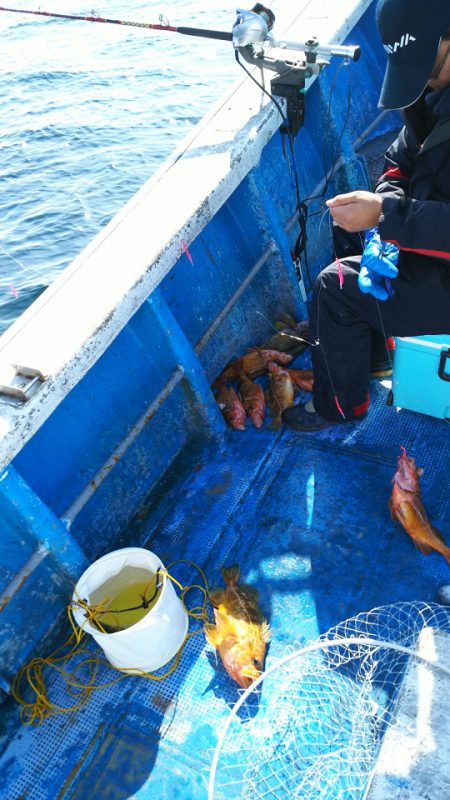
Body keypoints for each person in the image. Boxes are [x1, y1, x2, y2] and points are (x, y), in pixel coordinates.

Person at [282, 0, 450, 432]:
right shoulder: (432, 100)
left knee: (333, 288)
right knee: (350, 239)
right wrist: (383, 225)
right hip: (431, 239)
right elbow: (399, 164)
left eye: (429, 68)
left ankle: (339, 407)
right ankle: (373, 346)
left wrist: (386, 216)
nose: (424, 82)